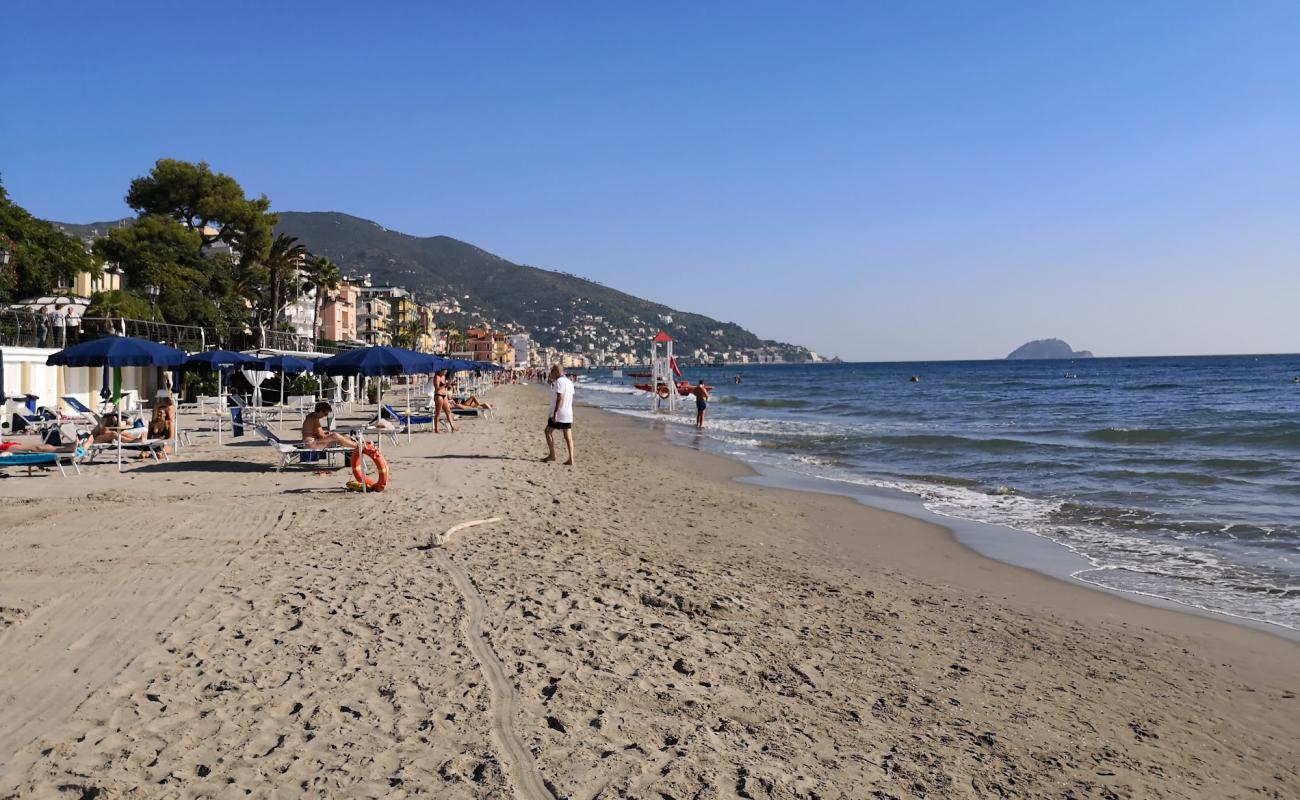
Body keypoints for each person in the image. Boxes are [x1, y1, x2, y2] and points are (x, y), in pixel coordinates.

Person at [542, 365, 575, 465]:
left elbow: (560, 397)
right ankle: (571, 459)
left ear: (556, 371)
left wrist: (555, 413)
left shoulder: (559, 382)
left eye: (552, 372)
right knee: (568, 436)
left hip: (560, 413)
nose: (551, 374)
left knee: (547, 431)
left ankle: (552, 455)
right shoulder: (569, 382)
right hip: (568, 413)